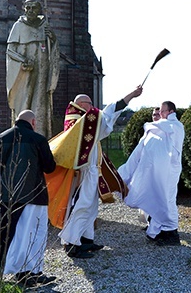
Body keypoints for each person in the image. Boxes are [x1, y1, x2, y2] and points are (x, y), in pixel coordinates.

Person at [47, 86, 143, 258]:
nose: (93, 107)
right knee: (81, 206)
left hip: (90, 170)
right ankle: (71, 243)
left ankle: (86, 240)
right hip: (82, 173)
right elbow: (108, 114)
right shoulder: (81, 121)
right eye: (90, 103)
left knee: (90, 208)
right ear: (81, 104)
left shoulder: (84, 120)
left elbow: (104, 120)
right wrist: (131, 96)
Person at [0, 110, 57, 286]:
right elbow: (49, 167)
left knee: (13, 233)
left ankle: (11, 268)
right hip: (35, 194)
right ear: (33, 122)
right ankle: (31, 272)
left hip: (9, 195)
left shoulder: (2, 137)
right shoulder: (38, 139)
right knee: (34, 235)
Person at [119, 101, 185, 246]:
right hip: (156, 171)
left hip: (168, 172)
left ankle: (171, 233)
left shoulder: (175, 126)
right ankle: (159, 231)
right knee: (157, 197)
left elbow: (167, 130)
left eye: (162, 111)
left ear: (171, 112)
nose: (160, 115)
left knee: (166, 199)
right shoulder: (159, 127)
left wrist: (151, 125)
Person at [6, 0, 60, 139]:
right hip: (24, 72)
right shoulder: (18, 26)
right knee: (24, 101)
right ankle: (21, 134)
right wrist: (22, 60)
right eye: (27, 7)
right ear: (24, 9)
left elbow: (52, 50)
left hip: (42, 71)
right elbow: (10, 50)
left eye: (33, 8)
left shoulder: (45, 25)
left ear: (39, 10)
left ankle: (40, 134)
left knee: (40, 102)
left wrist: (53, 39)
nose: (30, 11)